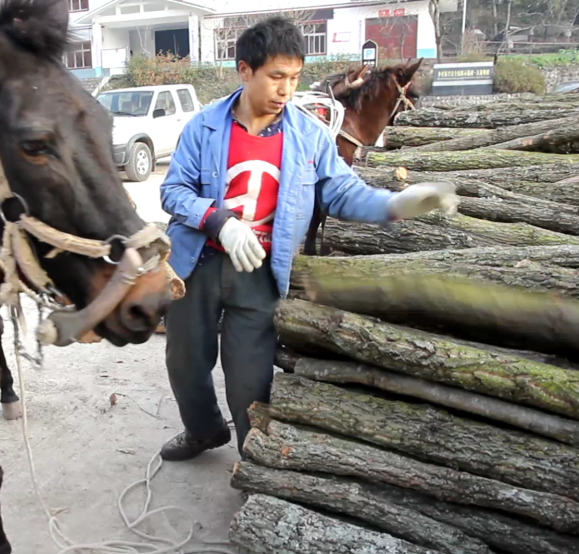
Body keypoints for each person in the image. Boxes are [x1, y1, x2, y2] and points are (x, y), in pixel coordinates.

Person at [158, 18, 457, 461]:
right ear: (245, 71)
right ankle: (203, 430)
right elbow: (173, 191)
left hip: (258, 271)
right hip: (196, 264)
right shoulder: (204, 127)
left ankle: (253, 458)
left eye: (294, 78)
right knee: (185, 363)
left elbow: (342, 192)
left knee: (250, 378)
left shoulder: (309, 137)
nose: (286, 90)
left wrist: (397, 204)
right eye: (276, 77)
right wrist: (219, 220)